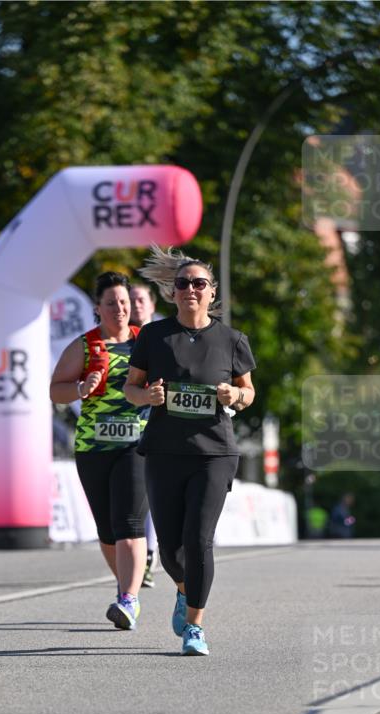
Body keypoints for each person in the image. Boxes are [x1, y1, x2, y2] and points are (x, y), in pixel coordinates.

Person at [124, 245, 256, 656]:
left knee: (199, 541)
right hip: (164, 452)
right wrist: (148, 397)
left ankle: (195, 626)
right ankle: (185, 589)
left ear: (212, 293)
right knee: (171, 551)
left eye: (199, 284)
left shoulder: (232, 340)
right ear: (173, 292)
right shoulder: (154, 336)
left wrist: (234, 393)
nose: (191, 290)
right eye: (183, 283)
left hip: (214, 453)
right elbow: (131, 388)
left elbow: (249, 393)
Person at [50, 272, 148, 629]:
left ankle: (129, 599)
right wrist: (80, 387)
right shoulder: (85, 345)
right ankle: (128, 585)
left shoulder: (145, 342)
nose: (120, 309)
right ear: (97, 308)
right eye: (112, 303)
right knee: (107, 529)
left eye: (124, 302)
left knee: (129, 523)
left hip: (136, 445)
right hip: (93, 446)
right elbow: (55, 391)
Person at [129, 281, 159, 588]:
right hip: (125, 425)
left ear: (152, 305)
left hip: (155, 423)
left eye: (141, 300)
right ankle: (139, 556)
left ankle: (148, 553)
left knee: (150, 491)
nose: (135, 305)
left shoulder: (161, 336)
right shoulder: (116, 339)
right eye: (131, 299)